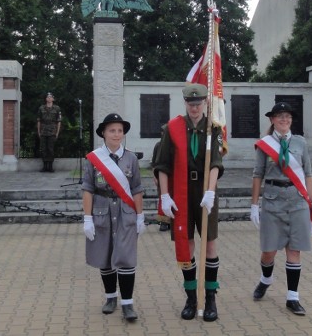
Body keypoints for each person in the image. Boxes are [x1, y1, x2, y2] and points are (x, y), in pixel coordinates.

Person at [154, 84, 225, 322]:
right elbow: (162, 165)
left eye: (199, 103)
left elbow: (215, 162)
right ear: (185, 103)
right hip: (181, 192)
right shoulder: (172, 128)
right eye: (190, 103)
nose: (194, 108)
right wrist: (165, 196)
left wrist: (211, 192)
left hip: (206, 192)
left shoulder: (213, 128)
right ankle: (191, 297)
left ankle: (211, 298)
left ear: (205, 103)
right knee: (188, 245)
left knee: (211, 247)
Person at [249, 102, 312, 316]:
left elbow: (308, 174)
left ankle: (293, 297)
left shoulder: (300, 143)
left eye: (288, 117)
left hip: (298, 201)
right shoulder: (265, 145)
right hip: (273, 201)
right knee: (268, 251)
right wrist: (254, 205)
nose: (284, 120)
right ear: (272, 120)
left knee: (294, 249)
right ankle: (266, 279)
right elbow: (257, 175)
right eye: (280, 116)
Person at [82, 113, 145, 322]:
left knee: (126, 258)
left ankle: (128, 303)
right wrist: (87, 218)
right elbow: (88, 189)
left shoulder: (131, 158)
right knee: (105, 256)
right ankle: (110, 298)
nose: (116, 134)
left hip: (125, 212)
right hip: (102, 211)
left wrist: (140, 215)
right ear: (104, 133)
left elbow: (136, 188)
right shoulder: (94, 159)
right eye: (112, 130)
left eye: (120, 130)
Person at [37, 92, 62, 172]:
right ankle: (45, 166)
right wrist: (39, 131)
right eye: (48, 97)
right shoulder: (41, 108)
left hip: (52, 131)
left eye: (51, 97)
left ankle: (50, 166)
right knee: (43, 149)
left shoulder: (57, 108)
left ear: (53, 99)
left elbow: (59, 121)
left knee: (50, 149)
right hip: (43, 130)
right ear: (46, 99)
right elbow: (39, 121)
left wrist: (57, 132)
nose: (49, 98)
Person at [151, 127, 170, 232]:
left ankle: (172, 221)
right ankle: (163, 222)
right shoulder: (158, 146)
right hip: (161, 175)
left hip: (172, 176)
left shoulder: (174, 145)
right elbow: (154, 163)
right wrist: (154, 176)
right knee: (163, 198)